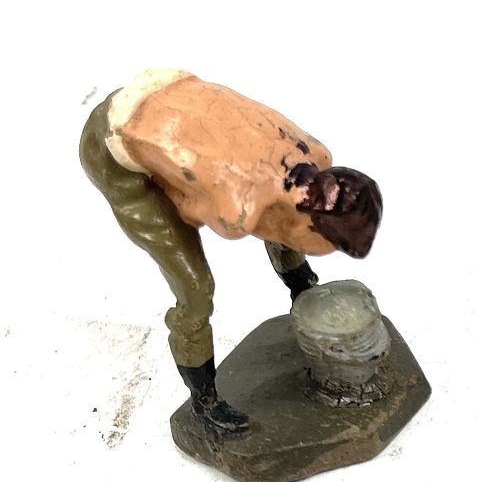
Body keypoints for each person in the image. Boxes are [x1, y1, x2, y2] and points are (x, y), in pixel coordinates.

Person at [80, 69, 382, 433]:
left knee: (278, 219)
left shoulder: (314, 152)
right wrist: (170, 174)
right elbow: (196, 207)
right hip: (114, 144)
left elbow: (282, 213)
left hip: (170, 91)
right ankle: (204, 400)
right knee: (195, 290)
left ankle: (302, 289)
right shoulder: (236, 209)